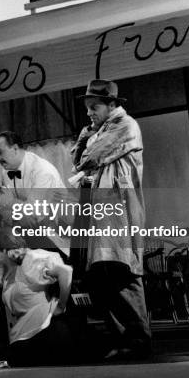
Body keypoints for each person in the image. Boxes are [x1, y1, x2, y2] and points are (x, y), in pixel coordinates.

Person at [71, 79, 151, 360]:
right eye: (87, 108)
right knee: (101, 275)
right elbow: (76, 158)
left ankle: (138, 339)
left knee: (122, 271)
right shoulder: (99, 129)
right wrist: (88, 133)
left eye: (94, 107)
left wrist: (88, 135)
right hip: (100, 211)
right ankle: (122, 339)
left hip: (118, 209)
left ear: (111, 105)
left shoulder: (124, 125)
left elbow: (89, 158)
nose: (89, 113)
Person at [0, 228, 74, 367]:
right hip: (27, 328)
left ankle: (4, 357)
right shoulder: (5, 272)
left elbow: (66, 271)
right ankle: (1, 356)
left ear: (5, 250)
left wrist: (61, 305)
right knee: (20, 347)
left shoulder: (30, 263)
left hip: (48, 325)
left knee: (27, 350)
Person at [0, 131, 68, 251]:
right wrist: (17, 219)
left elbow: (33, 213)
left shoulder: (43, 171)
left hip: (53, 236)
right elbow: (3, 210)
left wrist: (0, 199)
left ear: (15, 148)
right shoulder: (7, 170)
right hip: (26, 231)